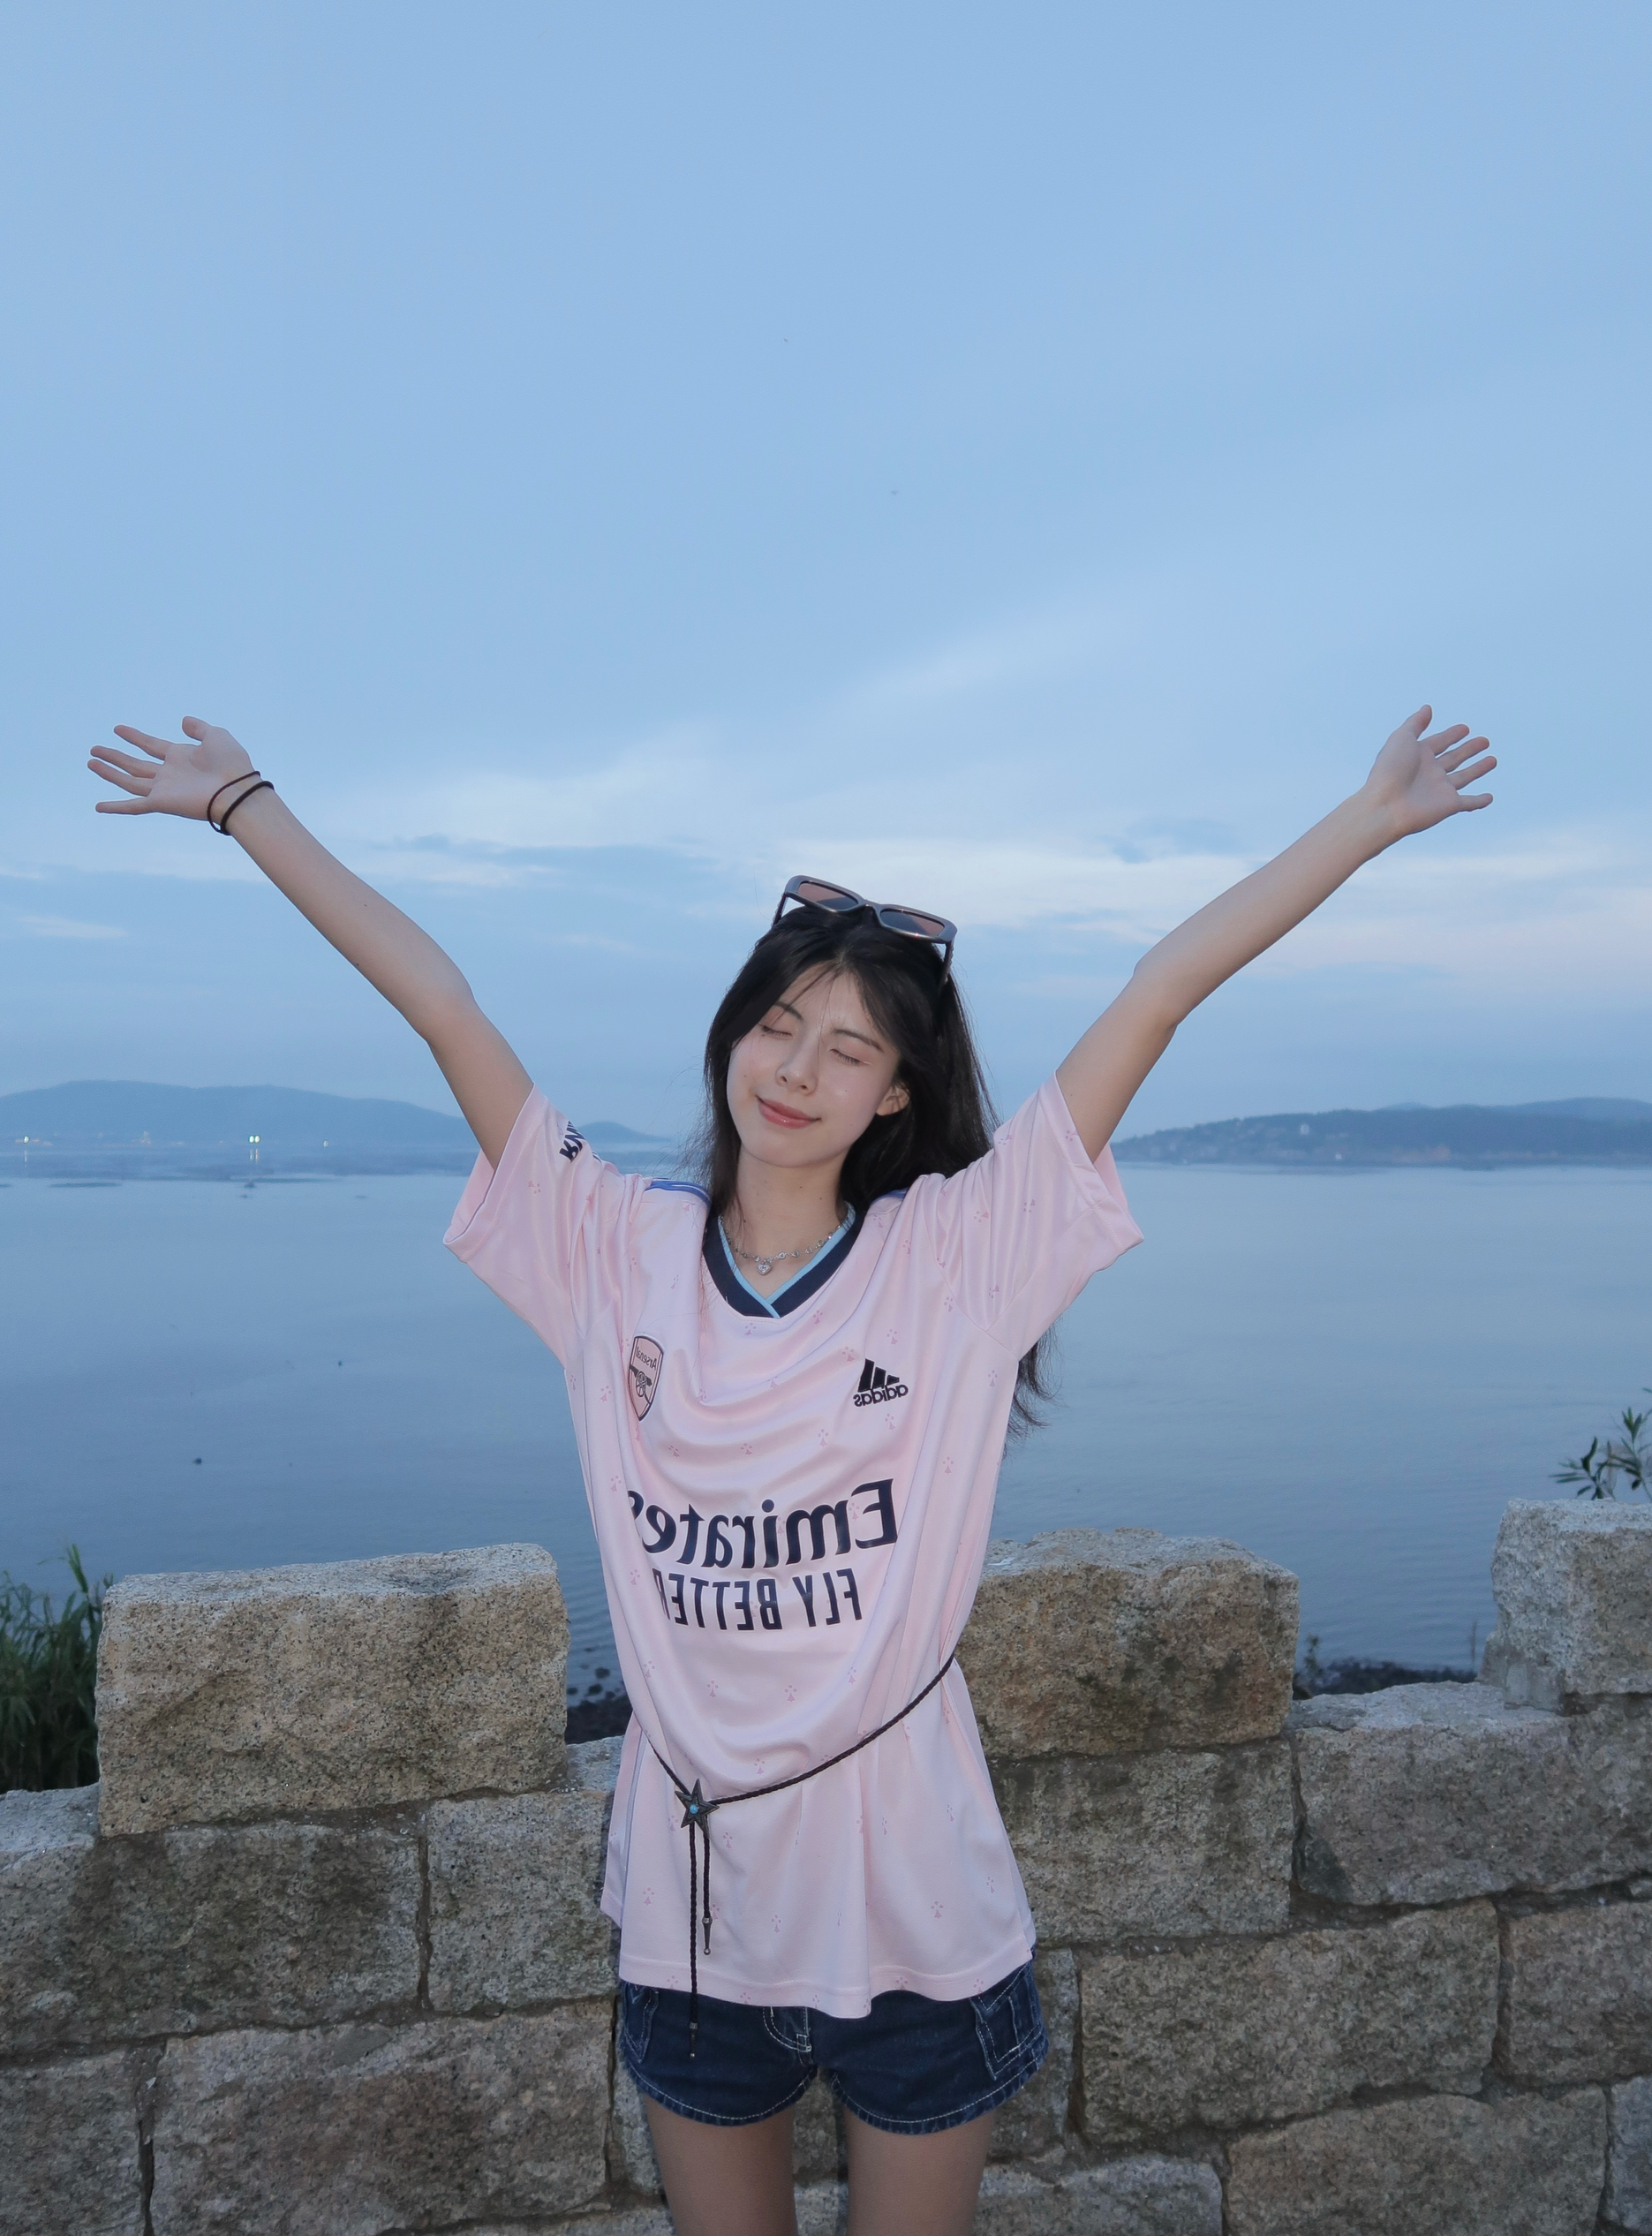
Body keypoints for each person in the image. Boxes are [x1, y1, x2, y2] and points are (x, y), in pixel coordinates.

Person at [87, 708, 1495, 2236]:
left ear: (894, 1094)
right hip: (694, 1923)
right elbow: (443, 1005)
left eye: (848, 1048)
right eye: (776, 1025)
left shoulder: (955, 1260)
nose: (796, 1069)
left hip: (918, 1920)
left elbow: (1154, 994)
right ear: (729, 1035)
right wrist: (243, 803)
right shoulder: (609, 1253)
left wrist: (1366, 818)